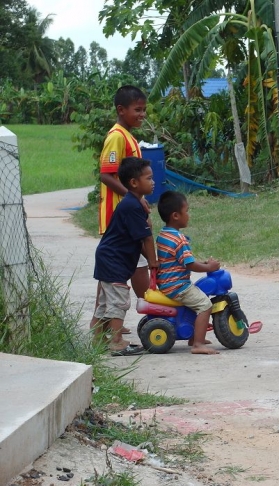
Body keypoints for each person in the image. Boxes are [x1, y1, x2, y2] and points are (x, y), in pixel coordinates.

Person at [90, 85, 150, 335]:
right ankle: (151, 308)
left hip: (127, 217)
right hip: (120, 218)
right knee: (138, 265)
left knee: (113, 271)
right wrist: (133, 198)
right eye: (137, 110)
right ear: (121, 110)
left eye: (144, 110)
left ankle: (103, 322)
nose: (142, 115)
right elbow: (106, 175)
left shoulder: (128, 136)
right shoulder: (116, 136)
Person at [92, 157, 157, 356]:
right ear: (134, 182)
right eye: (149, 178)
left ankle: (98, 340)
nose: (153, 182)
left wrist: (152, 260)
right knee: (118, 301)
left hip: (108, 258)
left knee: (105, 302)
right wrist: (154, 263)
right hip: (114, 260)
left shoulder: (132, 203)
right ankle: (117, 341)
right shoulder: (132, 206)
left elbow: (140, 239)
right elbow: (146, 238)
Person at [156, 190, 221, 355]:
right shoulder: (179, 239)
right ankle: (197, 343)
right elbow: (190, 264)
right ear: (176, 216)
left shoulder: (163, 235)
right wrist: (209, 268)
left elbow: (182, 260)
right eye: (187, 211)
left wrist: (203, 263)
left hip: (166, 283)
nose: (189, 215)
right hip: (178, 285)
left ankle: (194, 336)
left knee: (197, 301)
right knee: (205, 305)